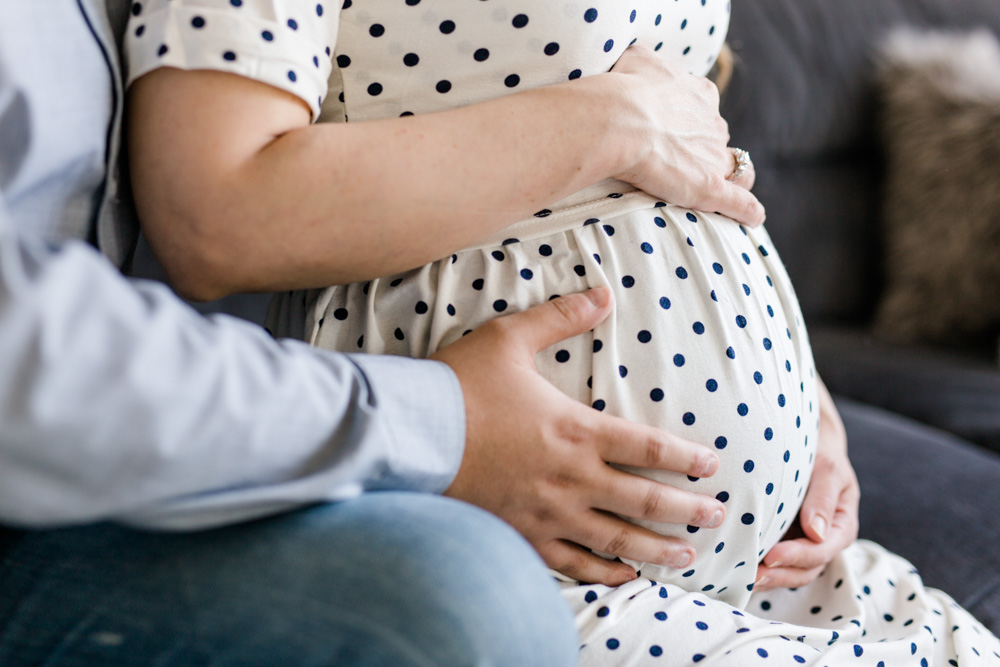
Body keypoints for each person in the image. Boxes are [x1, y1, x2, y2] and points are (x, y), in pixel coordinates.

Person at [122, 1, 1000, 665]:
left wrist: (800, 398)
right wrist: (608, 121)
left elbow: (679, 149)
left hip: (770, 567)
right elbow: (216, 210)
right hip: (513, 544)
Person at [0, 3, 747, 665]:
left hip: (732, 527)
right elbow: (45, 345)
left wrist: (766, 342)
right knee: (466, 597)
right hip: (54, 481)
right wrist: (441, 426)